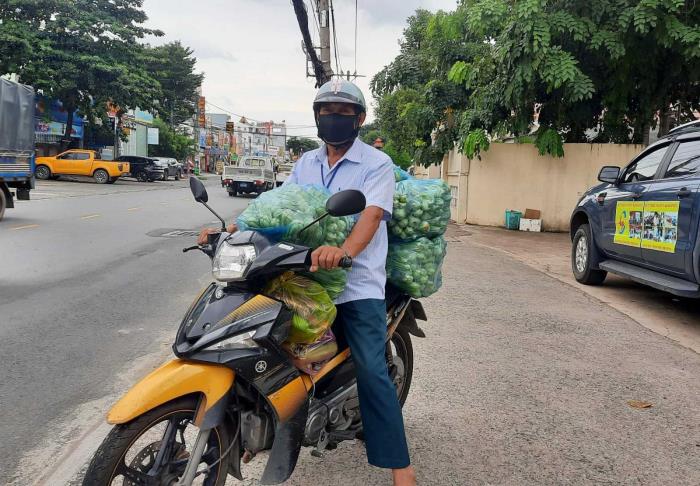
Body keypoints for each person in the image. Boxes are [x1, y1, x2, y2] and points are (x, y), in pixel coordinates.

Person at [198, 79, 415, 486]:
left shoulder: (375, 164)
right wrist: (233, 228)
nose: (333, 119)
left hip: (355, 283)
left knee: (371, 368)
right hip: (302, 275)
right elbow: (278, 208)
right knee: (257, 344)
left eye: (343, 112)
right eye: (325, 111)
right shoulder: (306, 164)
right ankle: (259, 424)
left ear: (360, 119)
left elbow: (370, 216)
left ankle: (400, 468)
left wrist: (345, 250)